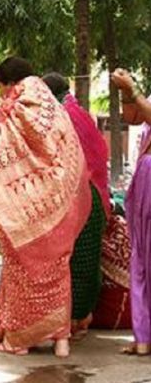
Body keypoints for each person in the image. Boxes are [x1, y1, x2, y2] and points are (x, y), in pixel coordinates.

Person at [0, 57, 91, 357]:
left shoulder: (15, 109)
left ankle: (19, 340)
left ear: (10, 84)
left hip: (26, 211)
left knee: (23, 272)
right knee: (57, 269)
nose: (1, 94)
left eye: (1, 87)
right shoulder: (53, 107)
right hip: (60, 205)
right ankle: (61, 339)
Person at [43, 72, 109, 337]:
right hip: (91, 194)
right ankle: (78, 318)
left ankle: (74, 320)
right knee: (85, 258)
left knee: (75, 260)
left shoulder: (59, 116)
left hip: (78, 196)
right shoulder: (79, 113)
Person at [111, 68, 151, 355]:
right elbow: (132, 117)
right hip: (145, 175)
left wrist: (133, 89)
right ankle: (143, 337)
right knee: (142, 258)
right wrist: (125, 90)